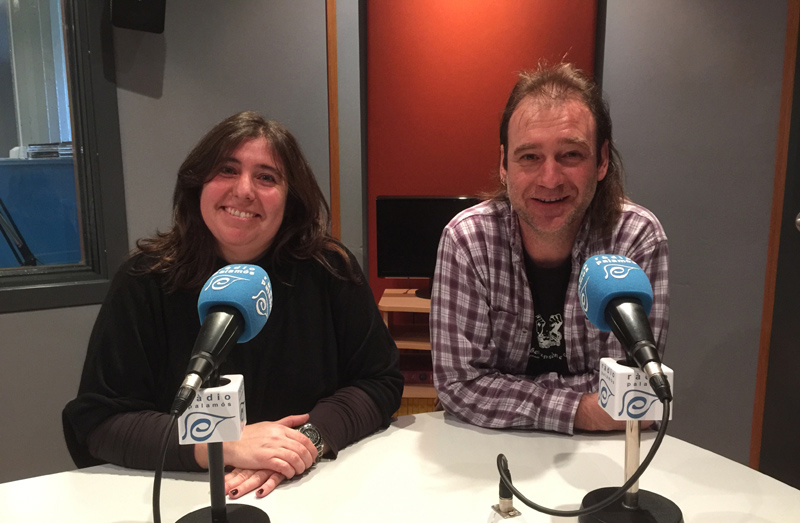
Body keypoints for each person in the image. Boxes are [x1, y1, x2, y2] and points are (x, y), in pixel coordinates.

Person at [63, 111, 402, 498]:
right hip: (182, 495)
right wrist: (224, 445)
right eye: (226, 170)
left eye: (266, 177)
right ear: (197, 184)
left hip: (311, 488)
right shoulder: (144, 279)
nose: (244, 190)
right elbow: (99, 422)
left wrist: (302, 443)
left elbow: (379, 382)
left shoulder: (330, 270)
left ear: (291, 198)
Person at [430, 62, 668, 433]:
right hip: (487, 447)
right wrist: (581, 409)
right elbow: (460, 386)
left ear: (602, 161)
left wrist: (507, 392)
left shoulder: (636, 237)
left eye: (571, 155)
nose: (550, 178)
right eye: (529, 157)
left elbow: (632, 389)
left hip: (603, 455)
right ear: (504, 164)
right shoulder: (467, 240)